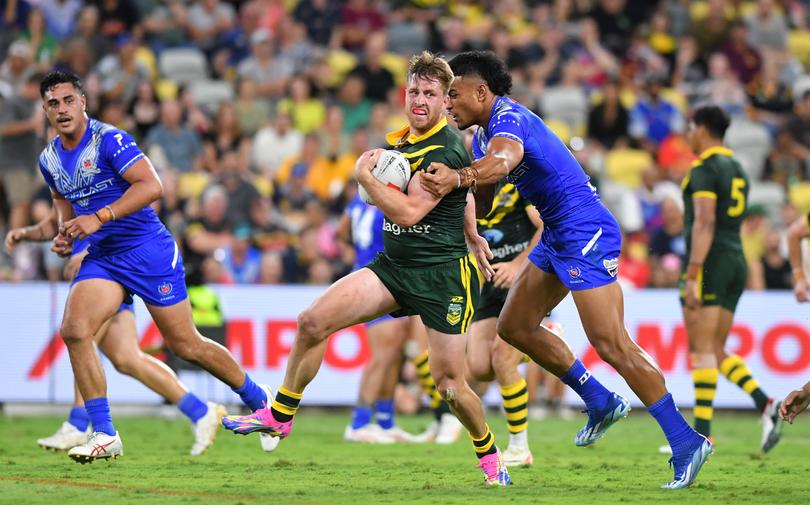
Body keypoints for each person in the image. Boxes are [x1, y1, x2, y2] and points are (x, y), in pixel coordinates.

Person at [420, 51, 710, 490]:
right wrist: (455, 211)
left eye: (453, 95)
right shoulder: (480, 140)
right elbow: (488, 194)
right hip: (558, 233)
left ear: (482, 92)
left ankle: (686, 441)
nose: (447, 104)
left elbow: (501, 162)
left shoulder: (509, 120)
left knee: (612, 343)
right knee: (515, 327)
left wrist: (459, 178)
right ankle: (599, 399)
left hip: (585, 230)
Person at [222, 52, 511, 486]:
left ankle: (490, 455)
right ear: (405, 93)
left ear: (444, 99)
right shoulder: (402, 142)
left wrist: (365, 176)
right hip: (393, 267)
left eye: (431, 94)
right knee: (311, 322)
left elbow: (412, 213)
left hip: (442, 277)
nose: (420, 99)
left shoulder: (446, 148)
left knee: (451, 385)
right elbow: (460, 199)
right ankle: (280, 415)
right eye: (414, 90)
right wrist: (472, 231)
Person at [35, 70, 274, 463]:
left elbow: (152, 186)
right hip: (106, 258)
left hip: (148, 251)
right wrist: (67, 236)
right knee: (75, 330)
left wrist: (100, 218)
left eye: (68, 100)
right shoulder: (49, 160)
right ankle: (105, 433)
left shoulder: (109, 139)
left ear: (83, 102)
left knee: (186, 344)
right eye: (53, 103)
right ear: (44, 110)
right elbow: (65, 209)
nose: (61, 109)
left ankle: (256, 397)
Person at [6, 220, 225, 456]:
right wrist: (26, 232)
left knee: (83, 338)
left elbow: (119, 214)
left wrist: (87, 251)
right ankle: (200, 411)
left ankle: (78, 423)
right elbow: (55, 221)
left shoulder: (101, 184)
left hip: (107, 271)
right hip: (98, 272)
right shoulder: (63, 185)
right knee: (127, 358)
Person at [674, 105, 781, 454]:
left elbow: (704, 222)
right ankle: (765, 403)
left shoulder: (705, 167)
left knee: (702, 350)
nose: (689, 135)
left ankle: (701, 435)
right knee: (716, 350)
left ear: (703, 129)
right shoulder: (738, 167)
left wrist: (692, 274)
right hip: (735, 258)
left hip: (711, 261)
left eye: (691, 128)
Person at [466, 179, 543, 467]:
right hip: (488, 283)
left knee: (502, 359)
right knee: (478, 368)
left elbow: (546, 225)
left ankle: (519, 447)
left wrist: (518, 263)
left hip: (524, 278)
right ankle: (541, 340)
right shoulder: (463, 186)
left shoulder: (519, 182)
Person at [339, 193, 414, 443]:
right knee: (382, 355)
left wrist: (352, 254)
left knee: (392, 354)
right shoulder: (389, 200)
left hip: (380, 277)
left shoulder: (358, 200)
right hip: (378, 278)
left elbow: (341, 231)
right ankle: (358, 423)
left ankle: (385, 421)